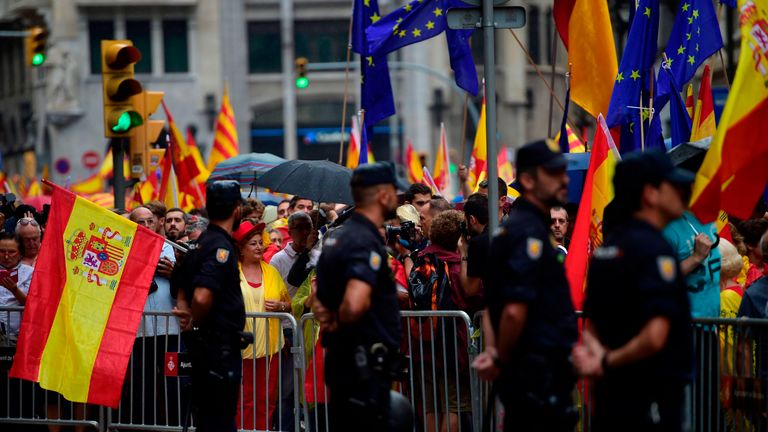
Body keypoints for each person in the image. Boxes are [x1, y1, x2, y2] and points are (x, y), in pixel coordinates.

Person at [572, 151, 694, 432]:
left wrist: (598, 358)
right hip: (651, 399)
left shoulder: (607, 250)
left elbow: (592, 325)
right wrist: (607, 360)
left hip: (611, 399)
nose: (683, 192)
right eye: (673, 185)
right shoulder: (655, 251)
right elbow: (655, 337)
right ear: (650, 194)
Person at [473, 140, 577, 431]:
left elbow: (495, 303)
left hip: (536, 371)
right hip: (535, 371)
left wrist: (497, 354)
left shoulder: (526, 229)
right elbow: (512, 311)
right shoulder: (527, 233)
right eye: (553, 173)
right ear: (529, 179)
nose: (564, 179)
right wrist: (501, 358)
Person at [313, 161, 408, 432]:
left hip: (346, 363)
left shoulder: (336, 238)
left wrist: (330, 317)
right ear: (383, 195)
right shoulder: (364, 240)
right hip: (362, 366)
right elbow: (355, 304)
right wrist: (342, 319)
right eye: (394, 191)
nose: (397, 198)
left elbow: (319, 298)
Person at [171, 180, 245, 432]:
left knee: (207, 419)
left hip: (207, 350)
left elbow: (180, 287)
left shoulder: (199, 244)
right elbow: (202, 296)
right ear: (236, 209)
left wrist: (187, 319)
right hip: (219, 350)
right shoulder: (219, 248)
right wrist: (194, 322)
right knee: (220, 421)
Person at [231, 220, 291, 431]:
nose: (259, 247)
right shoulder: (231, 273)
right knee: (242, 399)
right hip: (240, 347)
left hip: (269, 348)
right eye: (253, 243)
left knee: (266, 398)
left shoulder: (272, 272)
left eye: (260, 242)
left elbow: (288, 306)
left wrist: (281, 305)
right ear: (241, 248)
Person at [125, 206, 180, 426]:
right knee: (143, 384)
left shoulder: (170, 247)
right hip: (140, 329)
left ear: (157, 223)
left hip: (170, 328)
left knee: (172, 383)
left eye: (150, 221)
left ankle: (174, 426)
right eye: (141, 222)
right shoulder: (125, 249)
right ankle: (144, 426)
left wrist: (175, 272)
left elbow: (184, 284)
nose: (147, 226)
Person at [0, 233, 32, 345]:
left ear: (20, 254)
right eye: (2, 252)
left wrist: (15, 290)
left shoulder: (30, 272)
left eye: (12, 252)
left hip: (18, 338)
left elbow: (31, 304)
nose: (7, 256)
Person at [459, 193, 489, 299]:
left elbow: (470, 289)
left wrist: (463, 252)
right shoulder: (504, 232)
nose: (466, 226)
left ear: (472, 219)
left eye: (466, 222)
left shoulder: (477, 244)